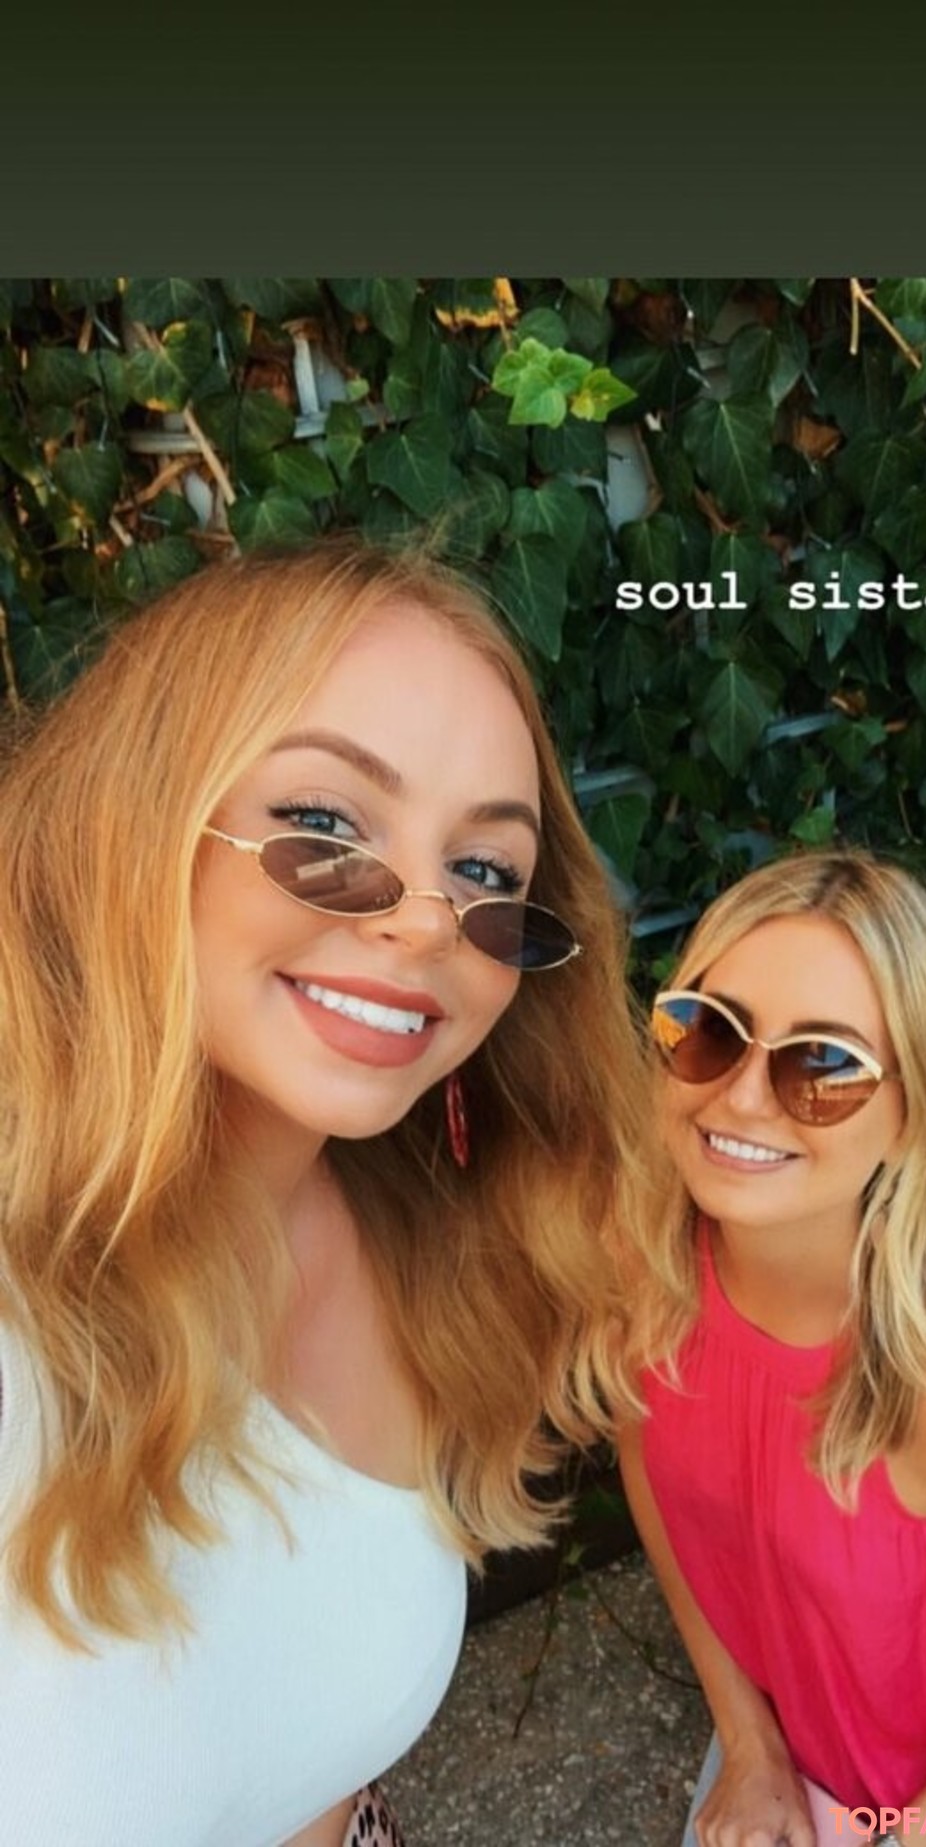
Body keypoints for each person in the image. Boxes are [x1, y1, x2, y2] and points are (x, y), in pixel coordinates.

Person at [0, 538, 666, 1847]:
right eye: (326, 823)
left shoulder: (433, 1243)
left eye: (486, 871)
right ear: (132, 816)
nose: (426, 920)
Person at [618, 849, 926, 1847]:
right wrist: (748, 1742)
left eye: (823, 1063)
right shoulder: (647, 1280)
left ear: (918, 1114)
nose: (742, 1097)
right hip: (797, 1777)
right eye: (710, 1029)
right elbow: (651, 1472)